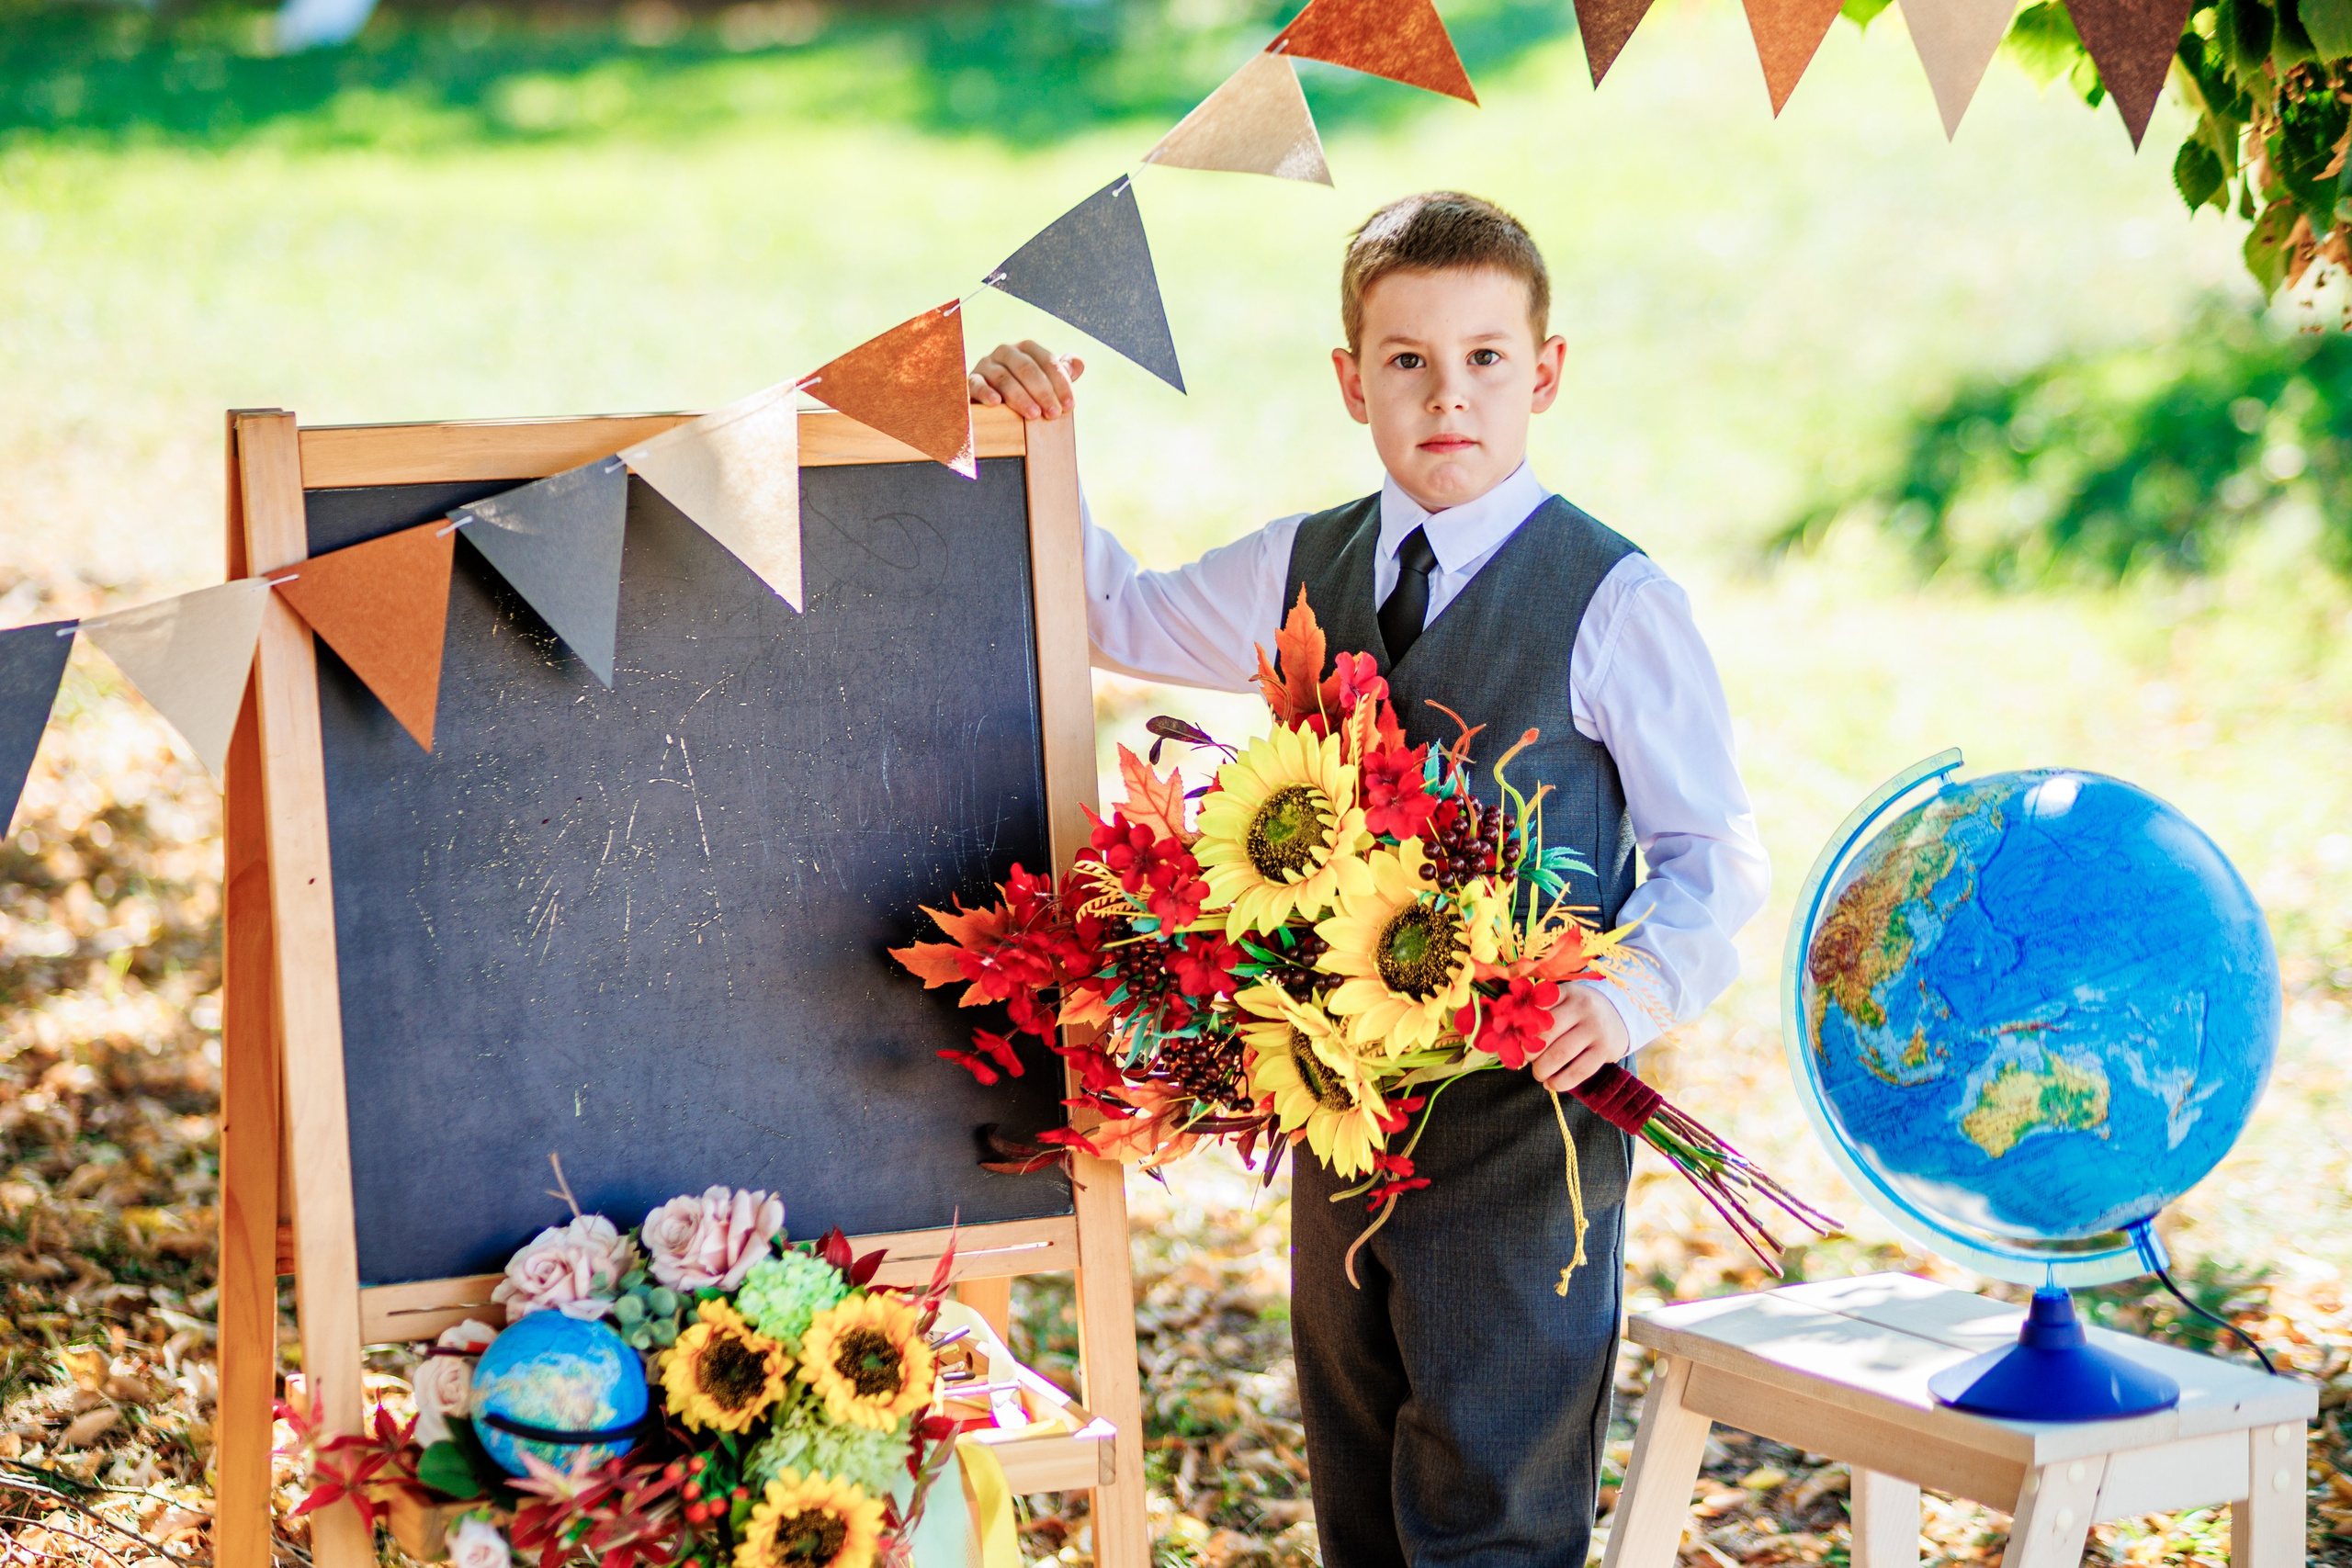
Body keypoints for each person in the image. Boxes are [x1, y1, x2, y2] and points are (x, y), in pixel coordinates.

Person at [969, 190, 1768, 1568]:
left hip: (1528, 1133)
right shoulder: (1307, 563)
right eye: (1406, 360)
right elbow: (1109, 612)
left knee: (1492, 1494)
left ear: (1546, 373)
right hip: (1337, 1117)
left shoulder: (1615, 603)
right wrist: (1037, 450)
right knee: (1358, 1465)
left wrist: (1630, 992)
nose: (1446, 395)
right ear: (1353, 382)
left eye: (1484, 359)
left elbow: (1716, 857)